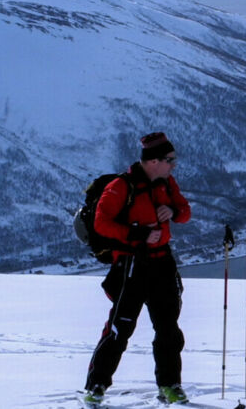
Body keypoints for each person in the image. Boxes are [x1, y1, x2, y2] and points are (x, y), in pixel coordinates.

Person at [82, 132, 193, 407]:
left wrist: (173, 212)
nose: (173, 165)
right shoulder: (121, 186)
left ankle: (170, 385)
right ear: (153, 161)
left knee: (168, 328)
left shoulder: (167, 183)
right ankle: (96, 386)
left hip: (162, 263)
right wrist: (139, 235)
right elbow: (101, 223)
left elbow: (186, 211)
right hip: (132, 264)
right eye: (170, 160)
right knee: (120, 329)